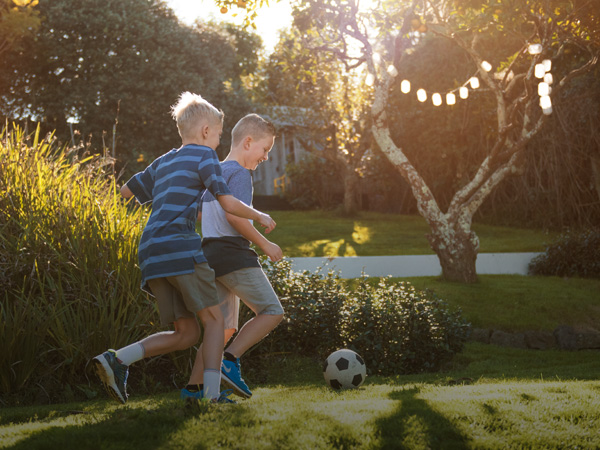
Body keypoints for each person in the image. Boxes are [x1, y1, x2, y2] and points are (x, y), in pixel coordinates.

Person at [92, 93, 276, 404]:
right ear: (206, 131)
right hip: (179, 246)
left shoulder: (163, 161)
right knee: (216, 321)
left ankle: (117, 359)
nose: (218, 142)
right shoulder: (205, 157)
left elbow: (125, 192)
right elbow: (228, 202)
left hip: (151, 251)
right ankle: (212, 397)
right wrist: (259, 214)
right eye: (218, 134)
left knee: (187, 334)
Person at [180, 113, 284, 401]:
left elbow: (203, 214)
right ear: (248, 142)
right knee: (272, 311)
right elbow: (233, 216)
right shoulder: (239, 173)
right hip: (232, 255)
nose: (265, 157)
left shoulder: (214, 172)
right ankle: (230, 360)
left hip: (210, 256)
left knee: (221, 328)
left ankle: (194, 390)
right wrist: (265, 243)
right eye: (265, 150)